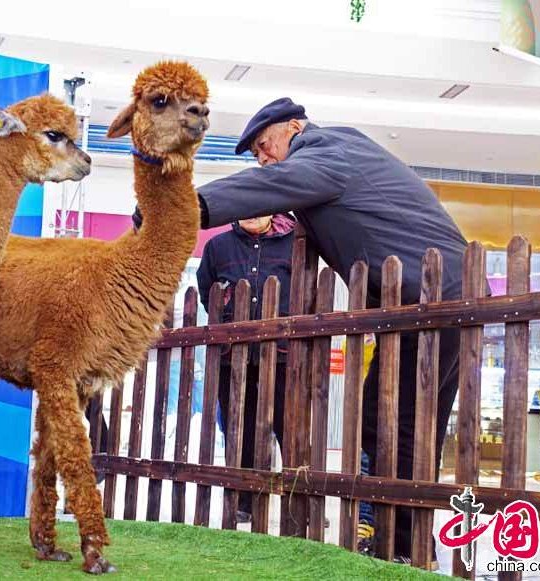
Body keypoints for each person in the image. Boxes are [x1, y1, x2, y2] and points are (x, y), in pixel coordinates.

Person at [138, 97, 468, 559]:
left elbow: (271, 184)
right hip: (432, 298)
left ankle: (403, 549)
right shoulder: (335, 157)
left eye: (264, 145)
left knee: (402, 423)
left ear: (294, 127)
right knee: (392, 420)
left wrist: (176, 209)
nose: (263, 158)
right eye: (256, 153)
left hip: (432, 298)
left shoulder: (327, 149)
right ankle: (402, 542)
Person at [197, 213, 294, 523]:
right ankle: (245, 500)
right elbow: (205, 292)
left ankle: (298, 501)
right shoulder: (218, 247)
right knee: (240, 427)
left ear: (274, 210)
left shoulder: (296, 243)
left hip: (281, 354)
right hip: (233, 355)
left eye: (260, 206)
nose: (253, 213)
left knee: (289, 426)